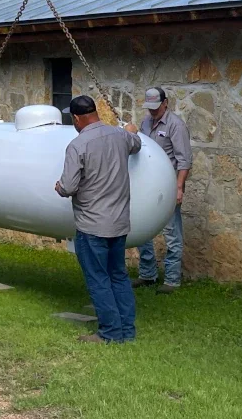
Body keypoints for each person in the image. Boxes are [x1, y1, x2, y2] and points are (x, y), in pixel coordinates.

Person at [54, 95, 142, 344]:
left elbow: (69, 186)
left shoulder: (77, 145)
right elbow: (136, 143)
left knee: (98, 278)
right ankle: (127, 331)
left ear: (78, 118)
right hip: (119, 222)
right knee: (118, 275)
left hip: (92, 225)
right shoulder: (119, 136)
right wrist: (131, 130)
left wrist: (59, 187)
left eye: (73, 119)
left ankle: (110, 333)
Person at [133, 87, 192, 294]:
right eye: (149, 108)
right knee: (143, 229)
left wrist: (179, 188)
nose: (152, 112)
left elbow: (184, 161)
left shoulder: (176, 125)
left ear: (165, 103)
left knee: (171, 233)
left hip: (168, 187)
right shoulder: (145, 123)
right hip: (147, 186)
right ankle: (148, 274)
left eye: (156, 108)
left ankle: (172, 280)